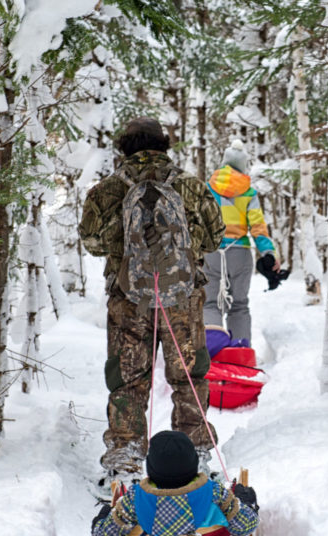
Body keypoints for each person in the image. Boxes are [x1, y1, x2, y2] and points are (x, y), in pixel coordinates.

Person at [79, 117, 225, 484]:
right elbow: (214, 238)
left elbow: (93, 244)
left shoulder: (108, 189)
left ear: (123, 147)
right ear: (164, 144)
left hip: (128, 300)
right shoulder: (190, 185)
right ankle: (198, 454)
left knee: (127, 381)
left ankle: (124, 463)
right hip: (182, 299)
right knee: (188, 377)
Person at [91, 431, 258, 536]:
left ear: (150, 467)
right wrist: (245, 500)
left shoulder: (133, 500)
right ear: (193, 463)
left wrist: (103, 516)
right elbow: (245, 525)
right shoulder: (213, 492)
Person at [203, 139, 280, 347]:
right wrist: (268, 253)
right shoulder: (249, 193)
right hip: (240, 253)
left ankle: (213, 352)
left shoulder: (207, 189)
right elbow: (258, 227)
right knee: (239, 305)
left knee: (210, 303)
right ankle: (240, 351)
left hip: (211, 253)